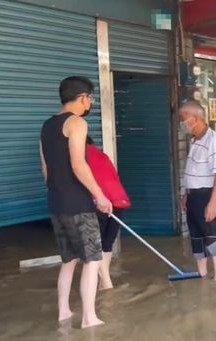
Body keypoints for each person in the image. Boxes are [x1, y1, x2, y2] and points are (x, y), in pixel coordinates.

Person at [40, 76, 112, 328]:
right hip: (78, 204)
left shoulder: (47, 126)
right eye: (90, 97)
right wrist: (100, 195)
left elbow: (46, 171)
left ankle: (63, 311)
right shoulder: (76, 123)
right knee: (92, 260)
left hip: (56, 203)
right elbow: (78, 165)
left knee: (68, 260)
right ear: (82, 97)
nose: (90, 102)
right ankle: (89, 318)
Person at [179, 100, 216, 281]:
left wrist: (213, 203)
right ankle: (202, 274)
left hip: (206, 196)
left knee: (211, 236)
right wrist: (185, 195)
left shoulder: (213, 141)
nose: (182, 123)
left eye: (184, 118)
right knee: (196, 237)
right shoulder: (195, 139)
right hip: (193, 197)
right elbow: (193, 171)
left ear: (195, 118)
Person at [85, 136, 131, 291]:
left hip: (100, 203)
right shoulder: (102, 155)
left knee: (95, 247)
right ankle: (104, 282)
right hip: (119, 201)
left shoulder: (79, 157)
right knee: (107, 244)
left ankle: (106, 281)